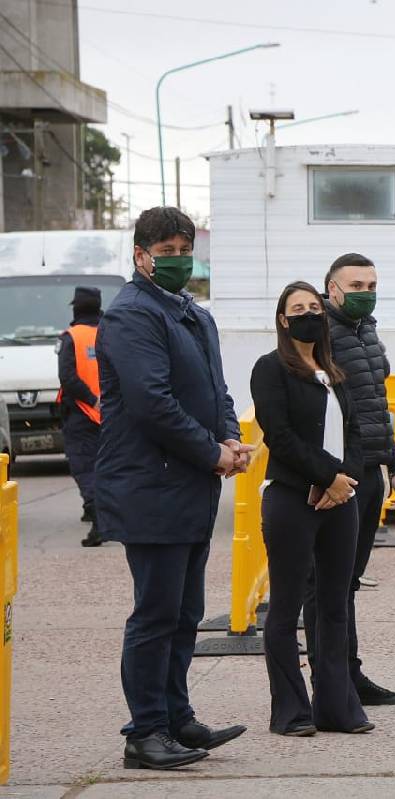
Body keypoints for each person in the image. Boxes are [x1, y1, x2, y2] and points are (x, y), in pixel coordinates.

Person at [95, 207, 253, 770]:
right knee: (156, 613)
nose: (179, 260)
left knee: (187, 610)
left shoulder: (193, 314)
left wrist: (230, 438)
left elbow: (216, 388)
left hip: (190, 484)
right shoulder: (132, 316)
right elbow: (151, 403)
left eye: (186, 249)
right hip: (150, 486)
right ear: (140, 256)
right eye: (167, 251)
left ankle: (178, 717)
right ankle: (146, 732)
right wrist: (211, 452)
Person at [251, 281, 373, 736]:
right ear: (284, 321)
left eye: (314, 307)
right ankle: (291, 711)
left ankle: (337, 708)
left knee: (335, 605)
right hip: (291, 500)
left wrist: (346, 481)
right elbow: (279, 435)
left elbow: (356, 433)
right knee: (285, 608)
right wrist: (327, 477)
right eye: (297, 309)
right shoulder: (270, 368)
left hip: (341, 501)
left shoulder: (332, 370)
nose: (308, 314)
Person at [302, 253, 395, 707]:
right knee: (324, 583)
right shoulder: (318, 333)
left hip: (369, 471)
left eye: (372, 285)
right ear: (332, 289)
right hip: (335, 474)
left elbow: (375, 408)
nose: (366, 292)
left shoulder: (366, 330)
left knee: (347, 582)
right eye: (357, 285)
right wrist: (326, 474)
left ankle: (350, 674)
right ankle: (330, 683)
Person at [57, 286, 104, 547]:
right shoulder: (108, 333)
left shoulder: (72, 337)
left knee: (84, 466)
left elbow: (68, 378)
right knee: (104, 466)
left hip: (81, 413)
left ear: (76, 308)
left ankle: (99, 520)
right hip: (109, 414)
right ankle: (97, 513)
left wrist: (91, 400)